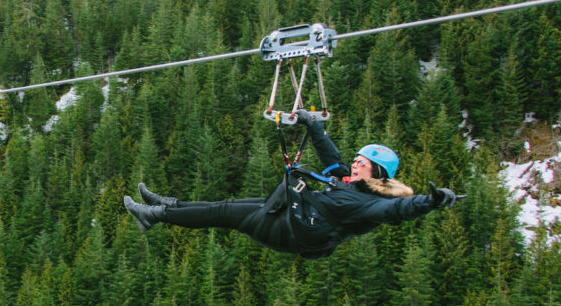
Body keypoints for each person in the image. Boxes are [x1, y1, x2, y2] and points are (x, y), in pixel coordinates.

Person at [123, 109, 458, 259]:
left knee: (223, 212)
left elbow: (400, 209)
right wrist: (313, 126)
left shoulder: (372, 204)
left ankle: (155, 215)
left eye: (363, 162)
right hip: (291, 216)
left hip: (292, 231)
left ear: (378, 174)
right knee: (222, 207)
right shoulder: (346, 179)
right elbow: (331, 155)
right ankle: (164, 206)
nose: (355, 164)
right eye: (357, 159)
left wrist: (430, 202)